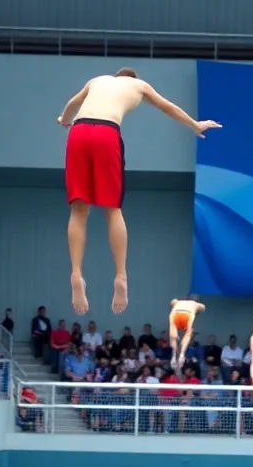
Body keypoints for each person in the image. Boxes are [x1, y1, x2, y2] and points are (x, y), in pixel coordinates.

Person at [57, 67, 221, 315]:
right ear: (132, 79)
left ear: (116, 75)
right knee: (112, 209)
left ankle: (76, 274)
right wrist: (195, 125)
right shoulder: (139, 85)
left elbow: (72, 104)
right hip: (106, 132)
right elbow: (168, 107)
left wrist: (64, 120)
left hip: (78, 132)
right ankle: (121, 275)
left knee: (78, 208)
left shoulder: (97, 80)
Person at [169, 298, 206, 371]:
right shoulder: (195, 304)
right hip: (188, 314)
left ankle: (174, 354)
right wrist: (198, 308)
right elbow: (203, 307)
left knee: (173, 335)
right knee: (188, 334)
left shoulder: (178, 302)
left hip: (175, 313)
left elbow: (172, 302)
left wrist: (175, 303)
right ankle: (182, 354)